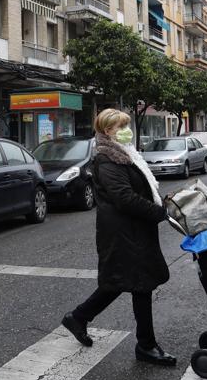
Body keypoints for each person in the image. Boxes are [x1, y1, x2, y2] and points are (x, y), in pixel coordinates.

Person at [61, 108, 177, 366]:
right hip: (124, 232)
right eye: (119, 127)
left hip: (132, 229)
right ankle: (146, 345)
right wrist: (158, 212)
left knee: (123, 281)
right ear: (106, 132)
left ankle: (79, 317)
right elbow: (123, 198)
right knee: (140, 284)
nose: (126, 130)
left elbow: (137, 189)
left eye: (127, 125)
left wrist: (160, 203)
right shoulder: (107, 159)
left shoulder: (125, 154)